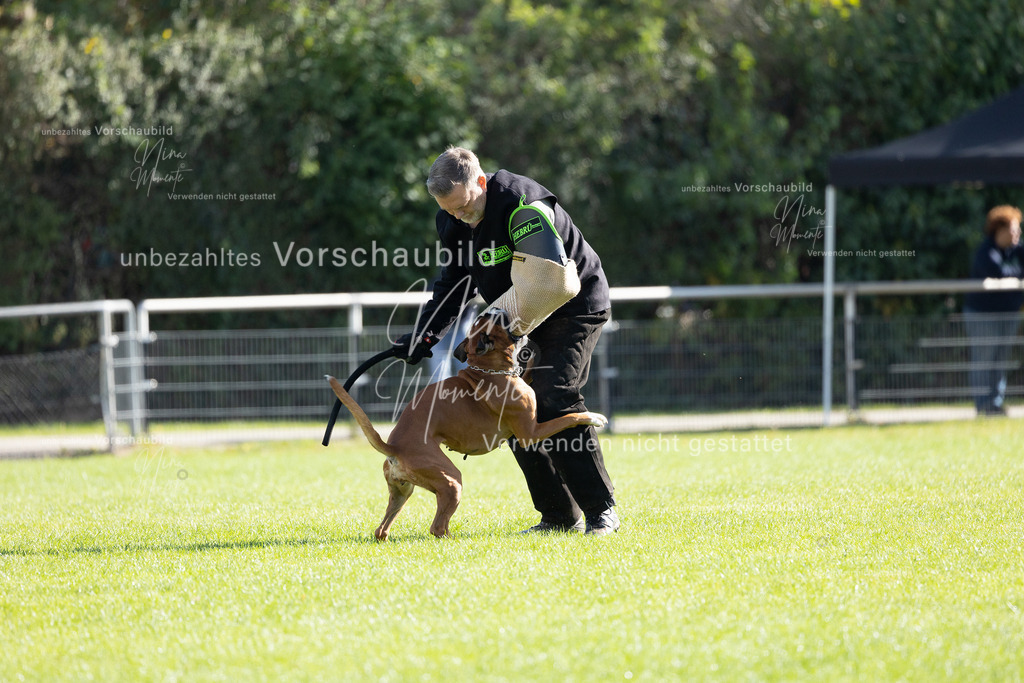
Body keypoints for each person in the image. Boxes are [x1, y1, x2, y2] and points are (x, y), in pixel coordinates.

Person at [392, 146, 618, 535]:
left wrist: (505, 328)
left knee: (552, 394)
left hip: (571, 305)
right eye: (449, 211)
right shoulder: (452, 220)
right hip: (516, 320)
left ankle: (602, 511)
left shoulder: (522, 204)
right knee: (508, 410)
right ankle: (558, 515)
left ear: (481, 182)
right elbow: (454, 284)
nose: (458, 217)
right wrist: (423, 335)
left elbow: (551, 283)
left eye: (463, 206)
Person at [963, 205, 1024, 416]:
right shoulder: (985, 251)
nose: (1017, 233)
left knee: (1000, 359)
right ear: (999, 230)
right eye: (1013, 229)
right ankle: (983, 405)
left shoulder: (1019, 251)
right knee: (984, 358)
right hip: (983, 314)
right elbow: (993, 279)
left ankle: (995, 403)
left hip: (1009, 314)